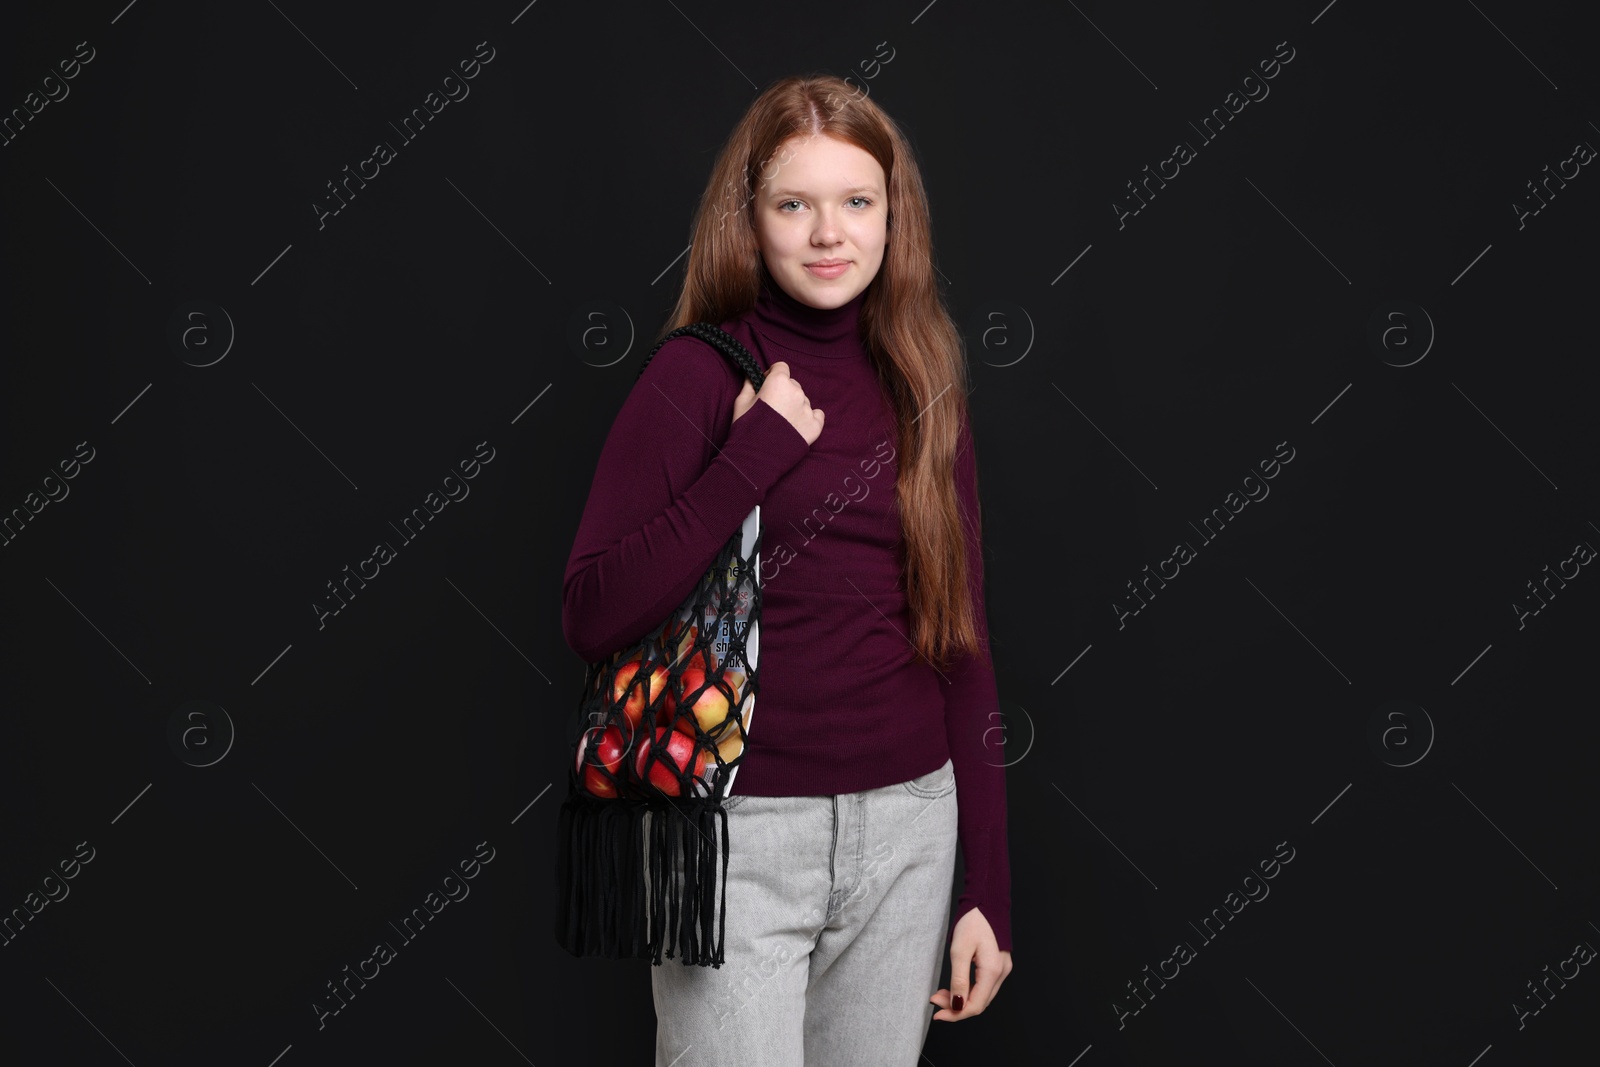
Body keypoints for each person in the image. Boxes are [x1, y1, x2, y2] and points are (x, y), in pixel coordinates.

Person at [561, 73, 1013, 1066]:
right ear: (750, 219)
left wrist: (988, 889)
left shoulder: (923, 381)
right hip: (738, 833)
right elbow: (591, 611)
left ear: (893, 218)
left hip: (907, 830)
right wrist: (753, 456)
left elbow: (960, 635)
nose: (827, 233)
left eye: (856, 201)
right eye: (793, 203)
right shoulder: (696, 372)